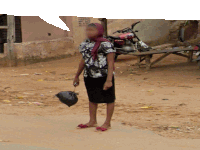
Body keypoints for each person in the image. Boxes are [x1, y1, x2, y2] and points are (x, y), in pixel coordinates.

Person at [73, 23, 116, 132]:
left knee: (109, 99)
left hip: (104, 75)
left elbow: (111, 62)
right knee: (92, 98)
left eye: (92, 30)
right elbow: (83, 60)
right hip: (89, 75)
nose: (89, 32)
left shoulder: (106, 44)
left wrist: (109, 80)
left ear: (99, 31)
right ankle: (92, 121)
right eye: (87, 30)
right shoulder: (84, 44)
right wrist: (77, 75)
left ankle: (107, 123)